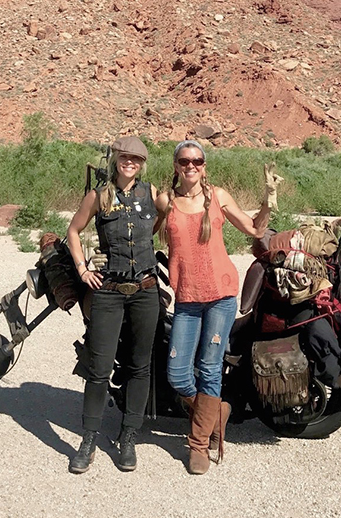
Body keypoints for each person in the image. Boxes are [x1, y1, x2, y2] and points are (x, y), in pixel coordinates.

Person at [155, 139, 271, 475]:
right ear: (176, 165)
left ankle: (199, 446)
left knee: (209, 367)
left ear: (204, 166)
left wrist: (268, 201)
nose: (191, 166)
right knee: (178, 373)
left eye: (197, 161)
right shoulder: (166, 202)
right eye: (184, 161)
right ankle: (216, 412)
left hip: (221, 294)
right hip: (187, 298)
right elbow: (143, 232)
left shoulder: (217, 197)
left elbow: (253, 229)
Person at [65, 135, 159, 474]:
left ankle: (128, 436)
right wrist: (82, 268)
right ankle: (88, 438)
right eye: (124, 157)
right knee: (99, 367)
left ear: (142, 163)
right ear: (116, 159)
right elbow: (73, 231)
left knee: (139, 365)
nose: (129, 162)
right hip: (108, 290)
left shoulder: (152, 195)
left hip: (146, 290)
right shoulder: (99, 196)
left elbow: (171, 220)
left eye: (135, 158)